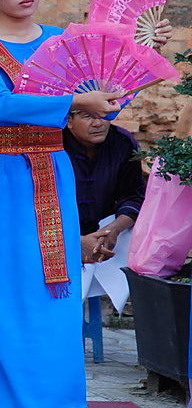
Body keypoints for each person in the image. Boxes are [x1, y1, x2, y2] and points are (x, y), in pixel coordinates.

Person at [0, 0, 173, 408]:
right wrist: (76, 103)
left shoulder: (61, 40)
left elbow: (107, 102)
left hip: (53, 174)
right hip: (1, 182)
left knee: (53, 298)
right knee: (0, 297)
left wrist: (140, 55)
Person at [64, 111, 146, 312]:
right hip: (58, 233)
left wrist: (113, 229)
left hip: (106, 233)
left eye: (104, 115)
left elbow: (134, 195)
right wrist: (76, 240)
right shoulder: (52, 145)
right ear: (69, 121)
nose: (98, 123)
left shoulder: (123, 142)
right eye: (88, 116)